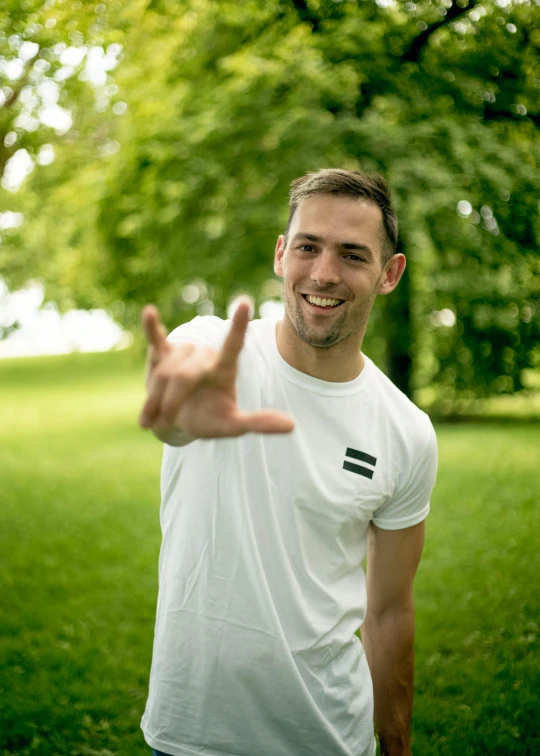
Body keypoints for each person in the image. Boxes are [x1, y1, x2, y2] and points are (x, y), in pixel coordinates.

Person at [139, 169, 438, 756]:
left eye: (353, 255)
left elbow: (389, 609)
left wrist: (397, 743)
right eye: (308, 247)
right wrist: (180, 405)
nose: (323, 274)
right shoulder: (209, 343)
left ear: (389, 274)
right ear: (282, 254)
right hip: (190, 735)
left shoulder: (406, 432)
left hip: (330, 737)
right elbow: (173, 408)